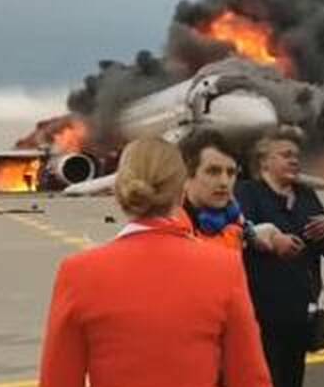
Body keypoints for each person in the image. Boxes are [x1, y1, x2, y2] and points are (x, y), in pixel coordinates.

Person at [39, 138, 271, 387]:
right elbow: (250, 378)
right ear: (181, 191)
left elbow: (58, 380)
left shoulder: (78, 272)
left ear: (119, 193)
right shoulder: (224, 267)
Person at [235, 125, 324, 387]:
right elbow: (236, 235)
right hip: (259, 318)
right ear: (265, 161)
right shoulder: (247, 193)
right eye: (286, 154)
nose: (294, 160)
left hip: (299, 317)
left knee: (292, 379)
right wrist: (269, 239)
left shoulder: (306, 196)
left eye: (296, 156)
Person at [176, 128, 299, 256]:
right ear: (186, 176)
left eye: (231, 173)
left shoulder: (235, 219)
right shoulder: (167, 227)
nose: (224, 182)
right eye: (213, 171)